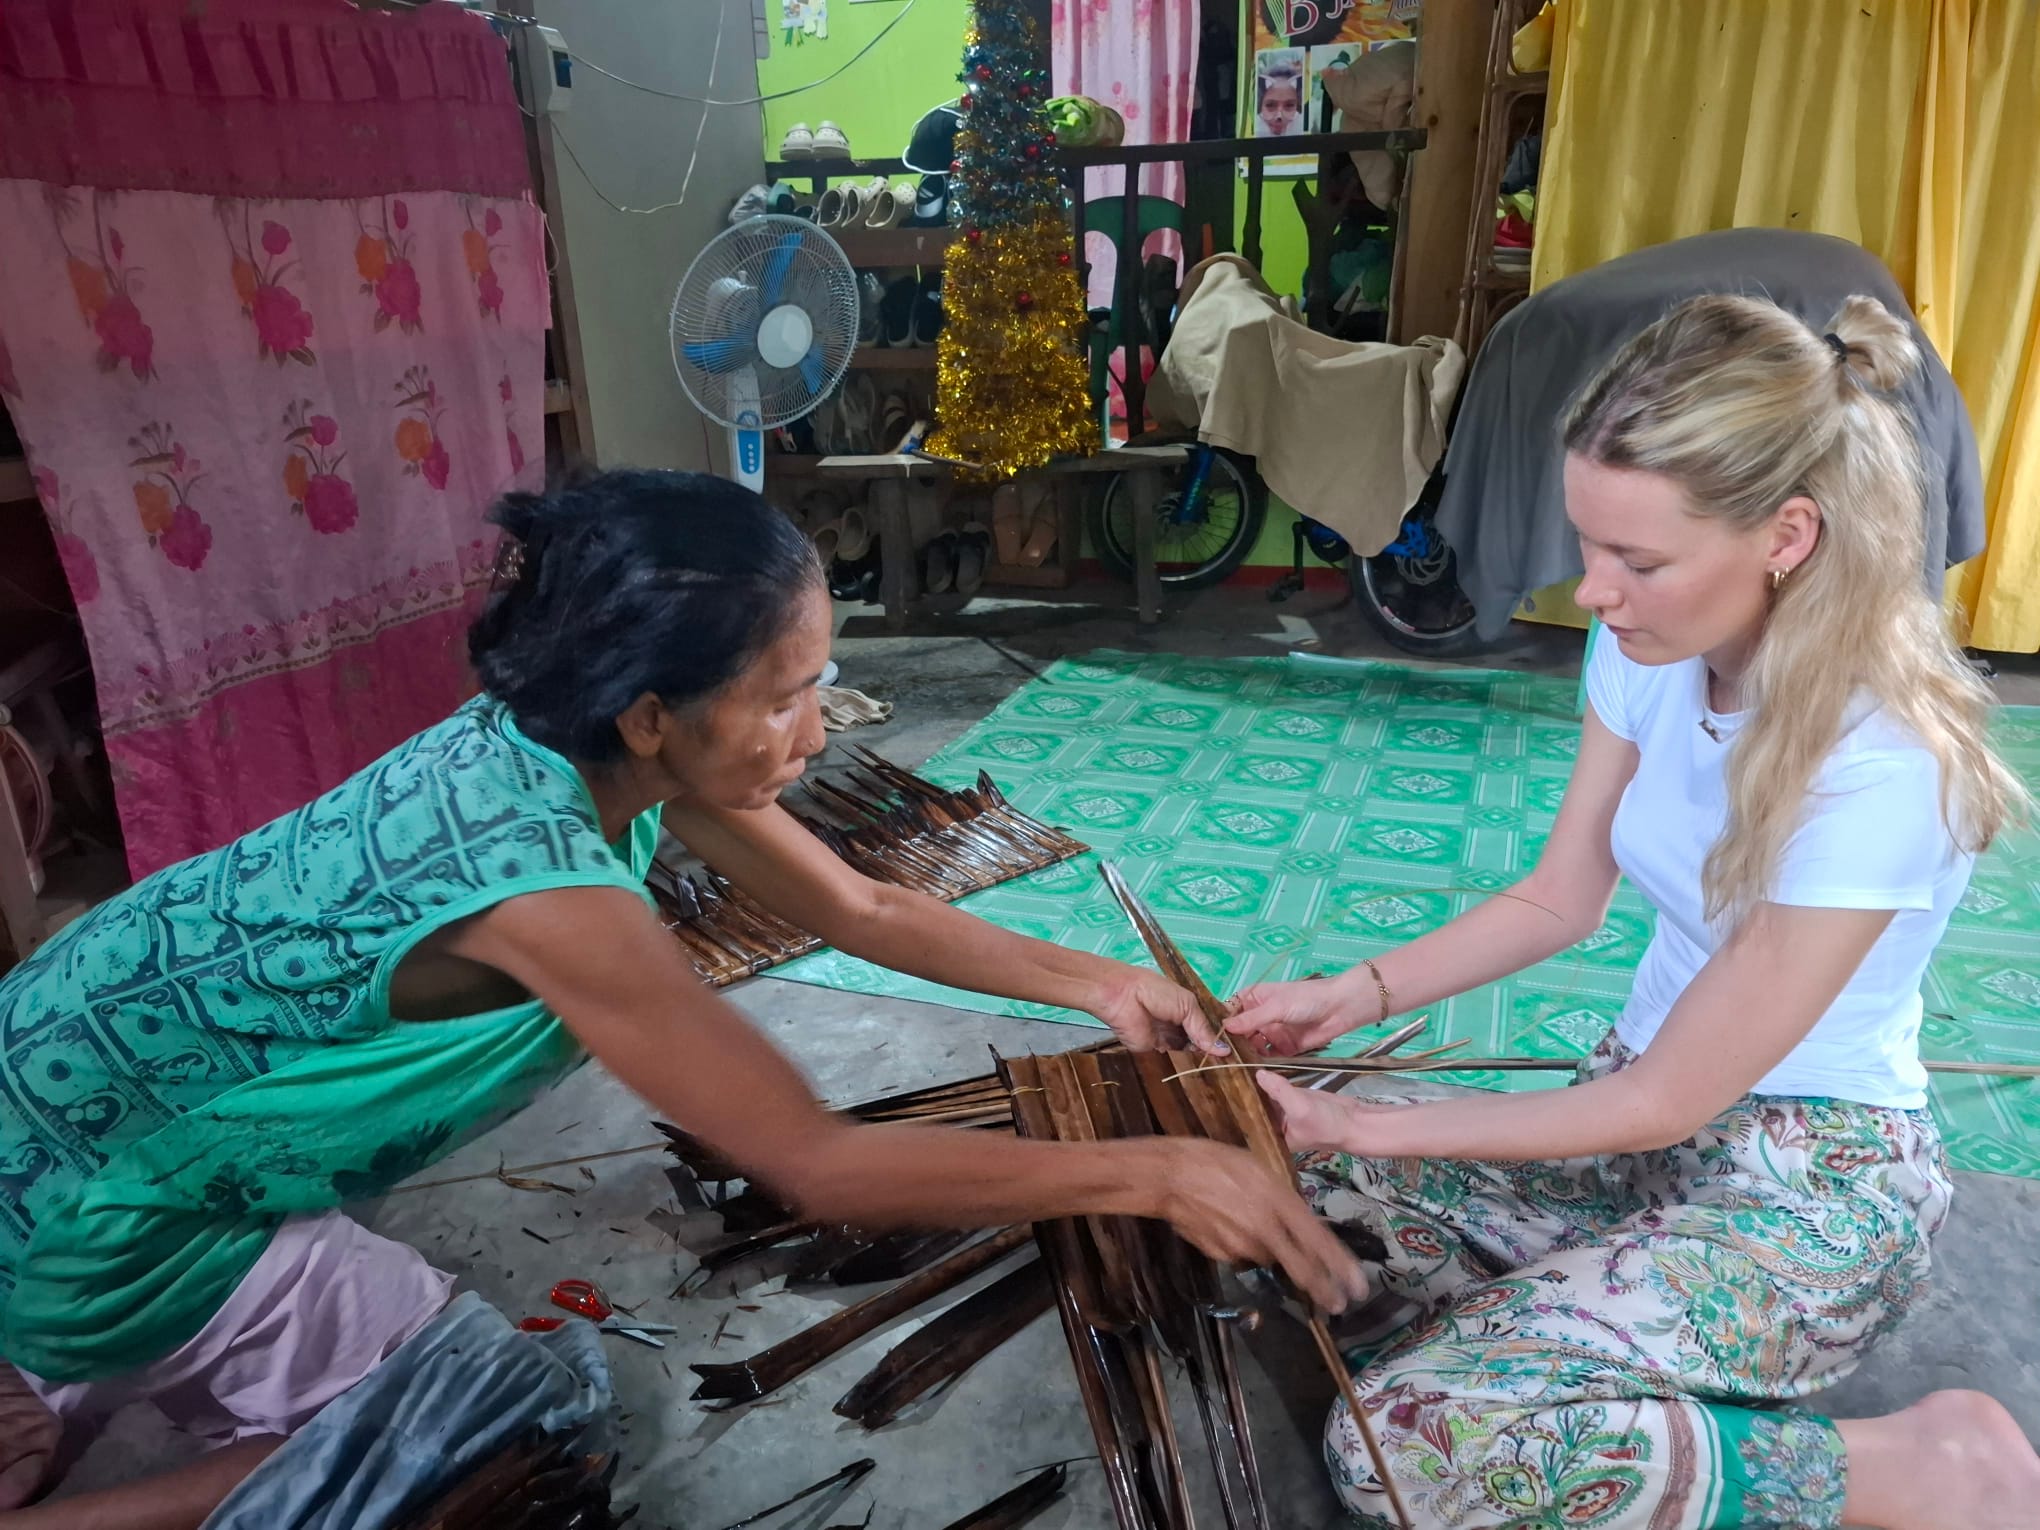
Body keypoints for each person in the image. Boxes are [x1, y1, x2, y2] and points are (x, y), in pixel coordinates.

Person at [0, 470, 1366, 1527]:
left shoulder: (567, 737)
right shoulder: (543, 890)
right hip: (115, 1201)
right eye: (785, 694)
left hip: (57, 1063)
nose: (818, 728)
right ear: (654, 708)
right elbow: (816, 1161)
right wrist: (1153, 1174)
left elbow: (861, 904)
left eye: (820, 681)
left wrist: (1108, 981)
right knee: (505, 1418)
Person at [1227, 294, 2040, 1530]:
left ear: (1788, 535)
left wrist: (1361, 1122)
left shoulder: (1882, 757)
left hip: (1801, 1190)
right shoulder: (1653, 651)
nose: (1595, 592)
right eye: (1590, 545)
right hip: (1629, 1138)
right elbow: (1560, 896)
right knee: (1277, 1198)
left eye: (1640, 562)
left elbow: (1675, 1098)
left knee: (1401, 1446)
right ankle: (1615, 1354)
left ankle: (1924, 1473)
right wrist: (1352, 997)